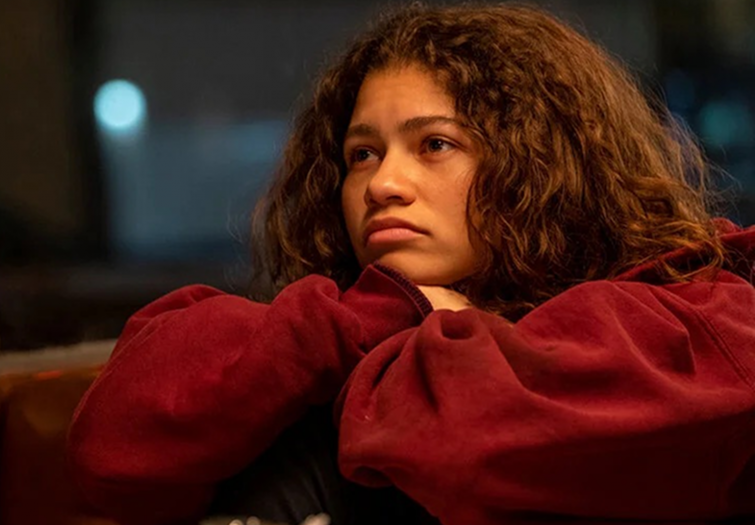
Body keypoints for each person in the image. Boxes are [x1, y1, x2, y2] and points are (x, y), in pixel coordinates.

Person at [67, 3, 755, 525]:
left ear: (544, 162)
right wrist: (380, 309)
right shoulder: (339, 325)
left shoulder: (700, 311)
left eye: (434, 144)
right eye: (362, 154)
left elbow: (461, 446)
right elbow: (111, 453)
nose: (383, 184)